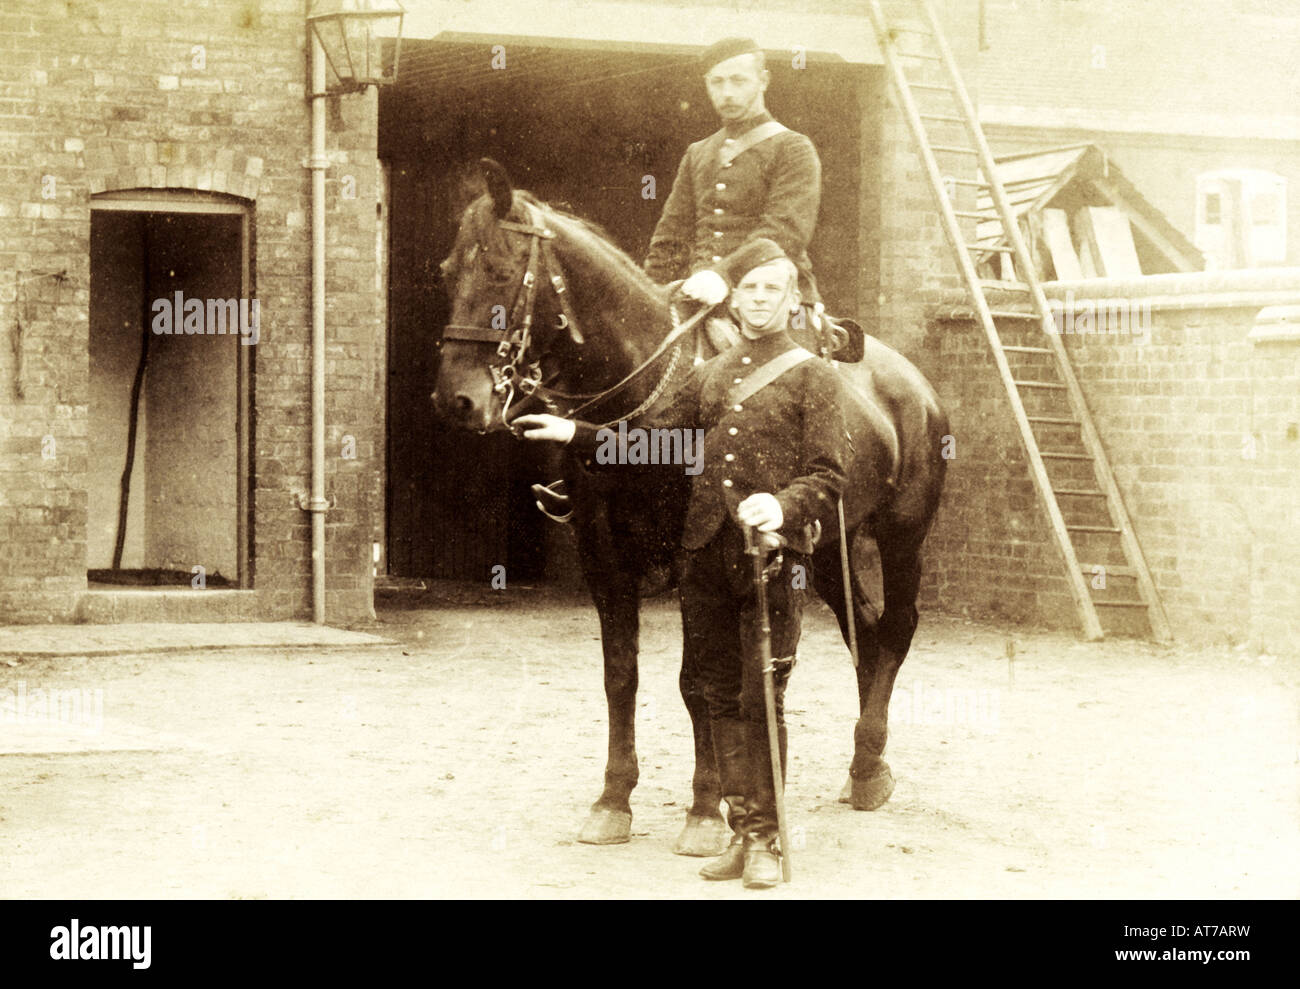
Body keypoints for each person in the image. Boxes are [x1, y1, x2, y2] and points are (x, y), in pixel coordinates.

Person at [514, 239, 853, 888]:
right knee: (713, 690)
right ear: (736, 297)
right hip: (703, 553)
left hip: (769, 557)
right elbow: (655, 437)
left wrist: (780, 508)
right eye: (748, 289)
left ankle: (770, 842)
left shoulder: (814, 374)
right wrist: (577, 435)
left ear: (790, 298)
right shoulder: (712, 375)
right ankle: (740, 827)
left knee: (762, 696)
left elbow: (828, 473)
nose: (758, 299)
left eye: (770, 290)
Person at [531, 36, 852, 526]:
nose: (727, 91)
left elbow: (784, 231)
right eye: (717, 82)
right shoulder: (698, 154)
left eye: (739, 79)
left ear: (763, 81)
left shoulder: (793, 148)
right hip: (698, 295)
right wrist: (647, 296)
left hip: (772, 293)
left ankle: (775, 497)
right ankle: (590, 482)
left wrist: (725, 277)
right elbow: (671, 234)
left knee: (761, 387)